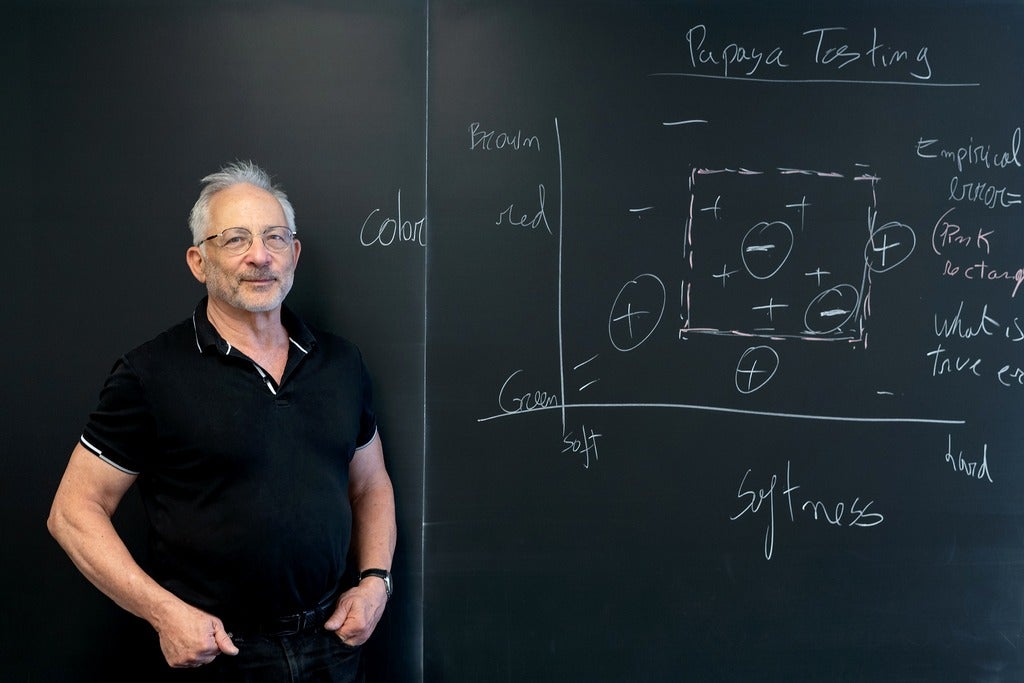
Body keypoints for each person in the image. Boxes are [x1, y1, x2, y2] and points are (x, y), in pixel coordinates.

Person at [47, 160, 396, 682]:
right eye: (235, 240)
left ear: (294, 254)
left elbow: (370, 484)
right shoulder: (151, 374)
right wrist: (164, 613)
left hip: (333, 645)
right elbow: (73, 511)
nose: (260, 256)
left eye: (275, 238)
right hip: (216, 654)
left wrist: (375, 583)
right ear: (198, 260)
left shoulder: (342, 364)